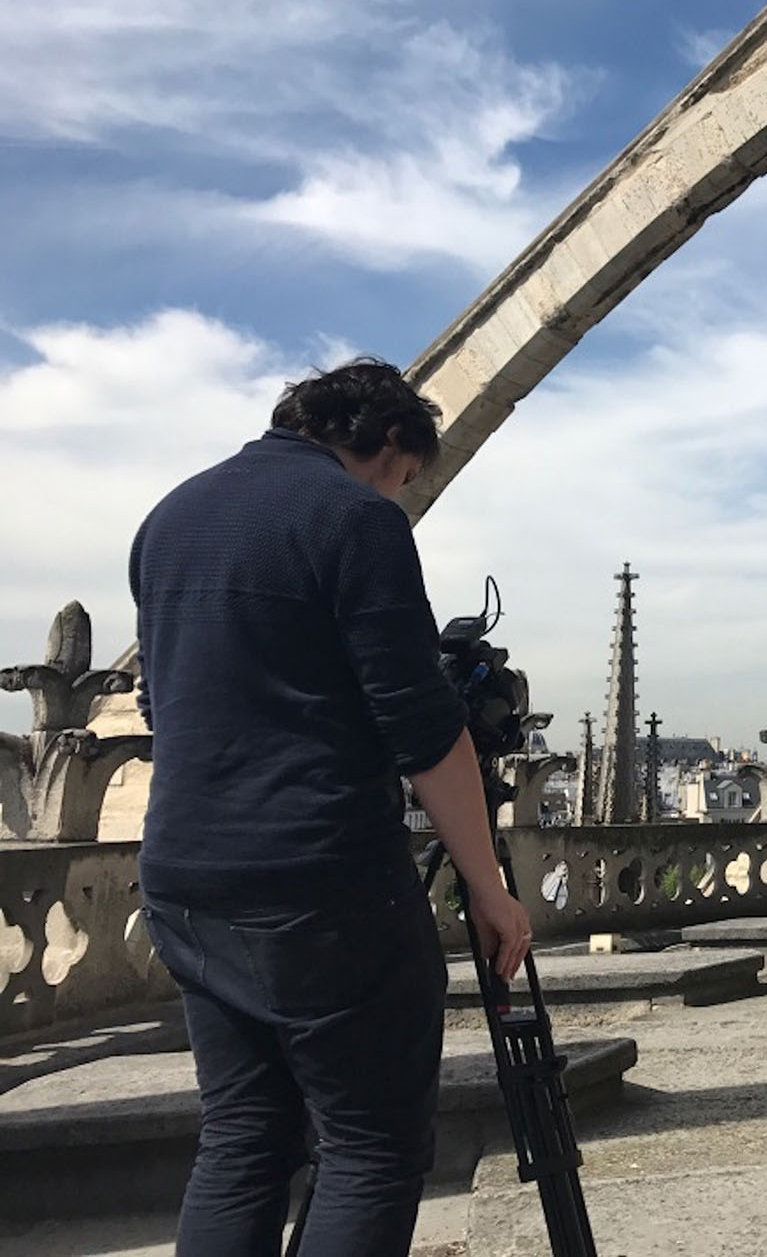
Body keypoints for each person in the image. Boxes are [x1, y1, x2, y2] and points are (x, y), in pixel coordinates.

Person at [130, 358, 534, 1256]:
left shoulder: (170, 518)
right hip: (320, 885)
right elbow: (425, 733)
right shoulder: (355, 520)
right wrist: (489, 888)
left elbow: (164, 707)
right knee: (372, 1148)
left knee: (241, 1141)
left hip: (185, 880)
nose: (399, 493)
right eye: (403, 476)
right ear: (388, 443)